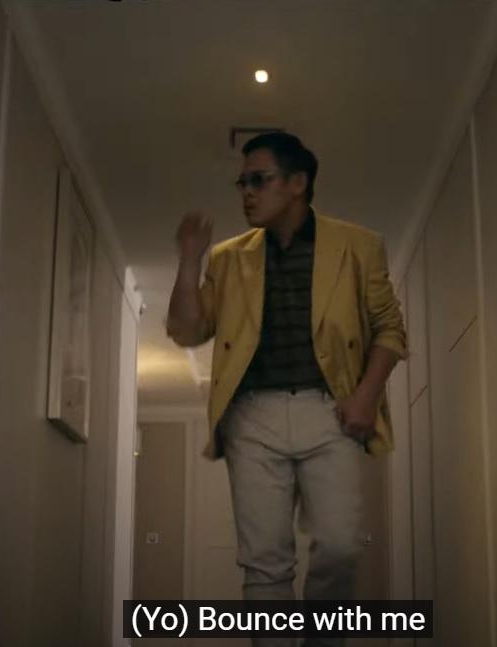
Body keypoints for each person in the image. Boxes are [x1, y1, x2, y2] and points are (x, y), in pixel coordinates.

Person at [166, 132, 407, 647]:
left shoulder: (359, 246)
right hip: (252, 417)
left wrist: (366, 395)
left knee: (341, 547)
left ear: (297, 183)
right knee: (264, 563)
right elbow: (187, 331)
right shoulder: (228, 258)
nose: (247, 192)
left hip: (331, 410)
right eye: (242, 183)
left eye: (259, 180)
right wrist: (189, 260)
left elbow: (390, 328)